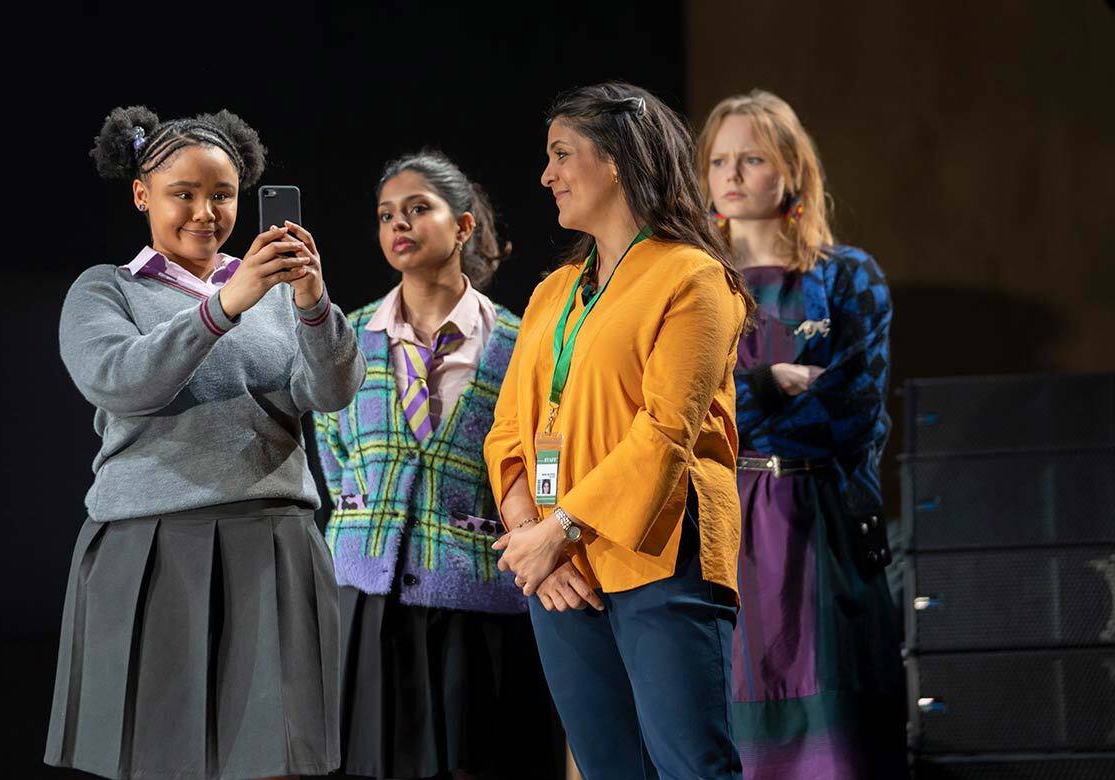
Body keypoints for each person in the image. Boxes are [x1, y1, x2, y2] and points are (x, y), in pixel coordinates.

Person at [44, 105, 365, 780]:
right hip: (153, 547)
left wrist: (310, 301)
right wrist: (223, 305)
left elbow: (331, 393)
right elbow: (123, 381)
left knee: (277, 759)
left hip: (273, 540)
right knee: (159, 760)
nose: (204, 212)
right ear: (142, 194)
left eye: (220, 195)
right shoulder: (107, 290)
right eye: (181, 194)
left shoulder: (273, 294)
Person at [484, 82, 754, 780]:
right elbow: (510, 429)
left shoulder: (692, 277)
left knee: (690, 767)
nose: (547, 175)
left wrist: (558, 529)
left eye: (562, 154)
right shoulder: (553, 291)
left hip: (661, 555)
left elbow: (665, 432)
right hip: (558, 569)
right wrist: (529, 535)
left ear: (616, 162)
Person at [315, 151, 557, 780]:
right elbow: (332, 450)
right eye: (387, 214)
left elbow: (547, 450)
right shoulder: (347, 335)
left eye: (419, 209)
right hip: (367, 601)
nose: (400, 224)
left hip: (481, 604)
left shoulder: (520, 338)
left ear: (465, 226)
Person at [696, 89, 905, 779]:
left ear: (792, 170)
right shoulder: (692, 289)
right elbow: (686, 421)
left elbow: (856, 412)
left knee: (839, 745)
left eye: (751, 158)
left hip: (826, 527)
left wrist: (739, 410)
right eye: (719, 159)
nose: (731, 174)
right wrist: (767, 383)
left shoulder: (849, 277)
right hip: (722, 531)